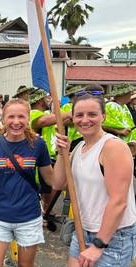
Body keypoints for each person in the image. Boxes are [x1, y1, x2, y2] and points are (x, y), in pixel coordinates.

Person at [53, 93, 136, 267]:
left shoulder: (113, 147)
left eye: (92, 114)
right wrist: (62, 153)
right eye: (79, 115)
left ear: (103, 117)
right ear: (73, 118)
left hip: (112, 237)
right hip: (83, 230)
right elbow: (58, 184)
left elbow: (119, 201)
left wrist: (99, 245)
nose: (85, 120)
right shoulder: (79, 148)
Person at [0, 99, 53, 267]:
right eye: (11, 117)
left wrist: (62, 155)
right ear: (3, 119)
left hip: (29, 218)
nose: (16, 122)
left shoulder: (38, 144)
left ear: (28, 118)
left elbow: (52, 180)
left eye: (21, 117)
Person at [29, 88, 71, 215]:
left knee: (49, 188)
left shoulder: (45, 113)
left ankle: (47, 210)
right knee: (50, 185)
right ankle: (45, 211)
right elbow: (43, 121)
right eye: (47, 98)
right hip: (41, 156)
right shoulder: (35, 113)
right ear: (40, 101)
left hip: (49, 155)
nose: (50, 100)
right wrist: (70, 113)